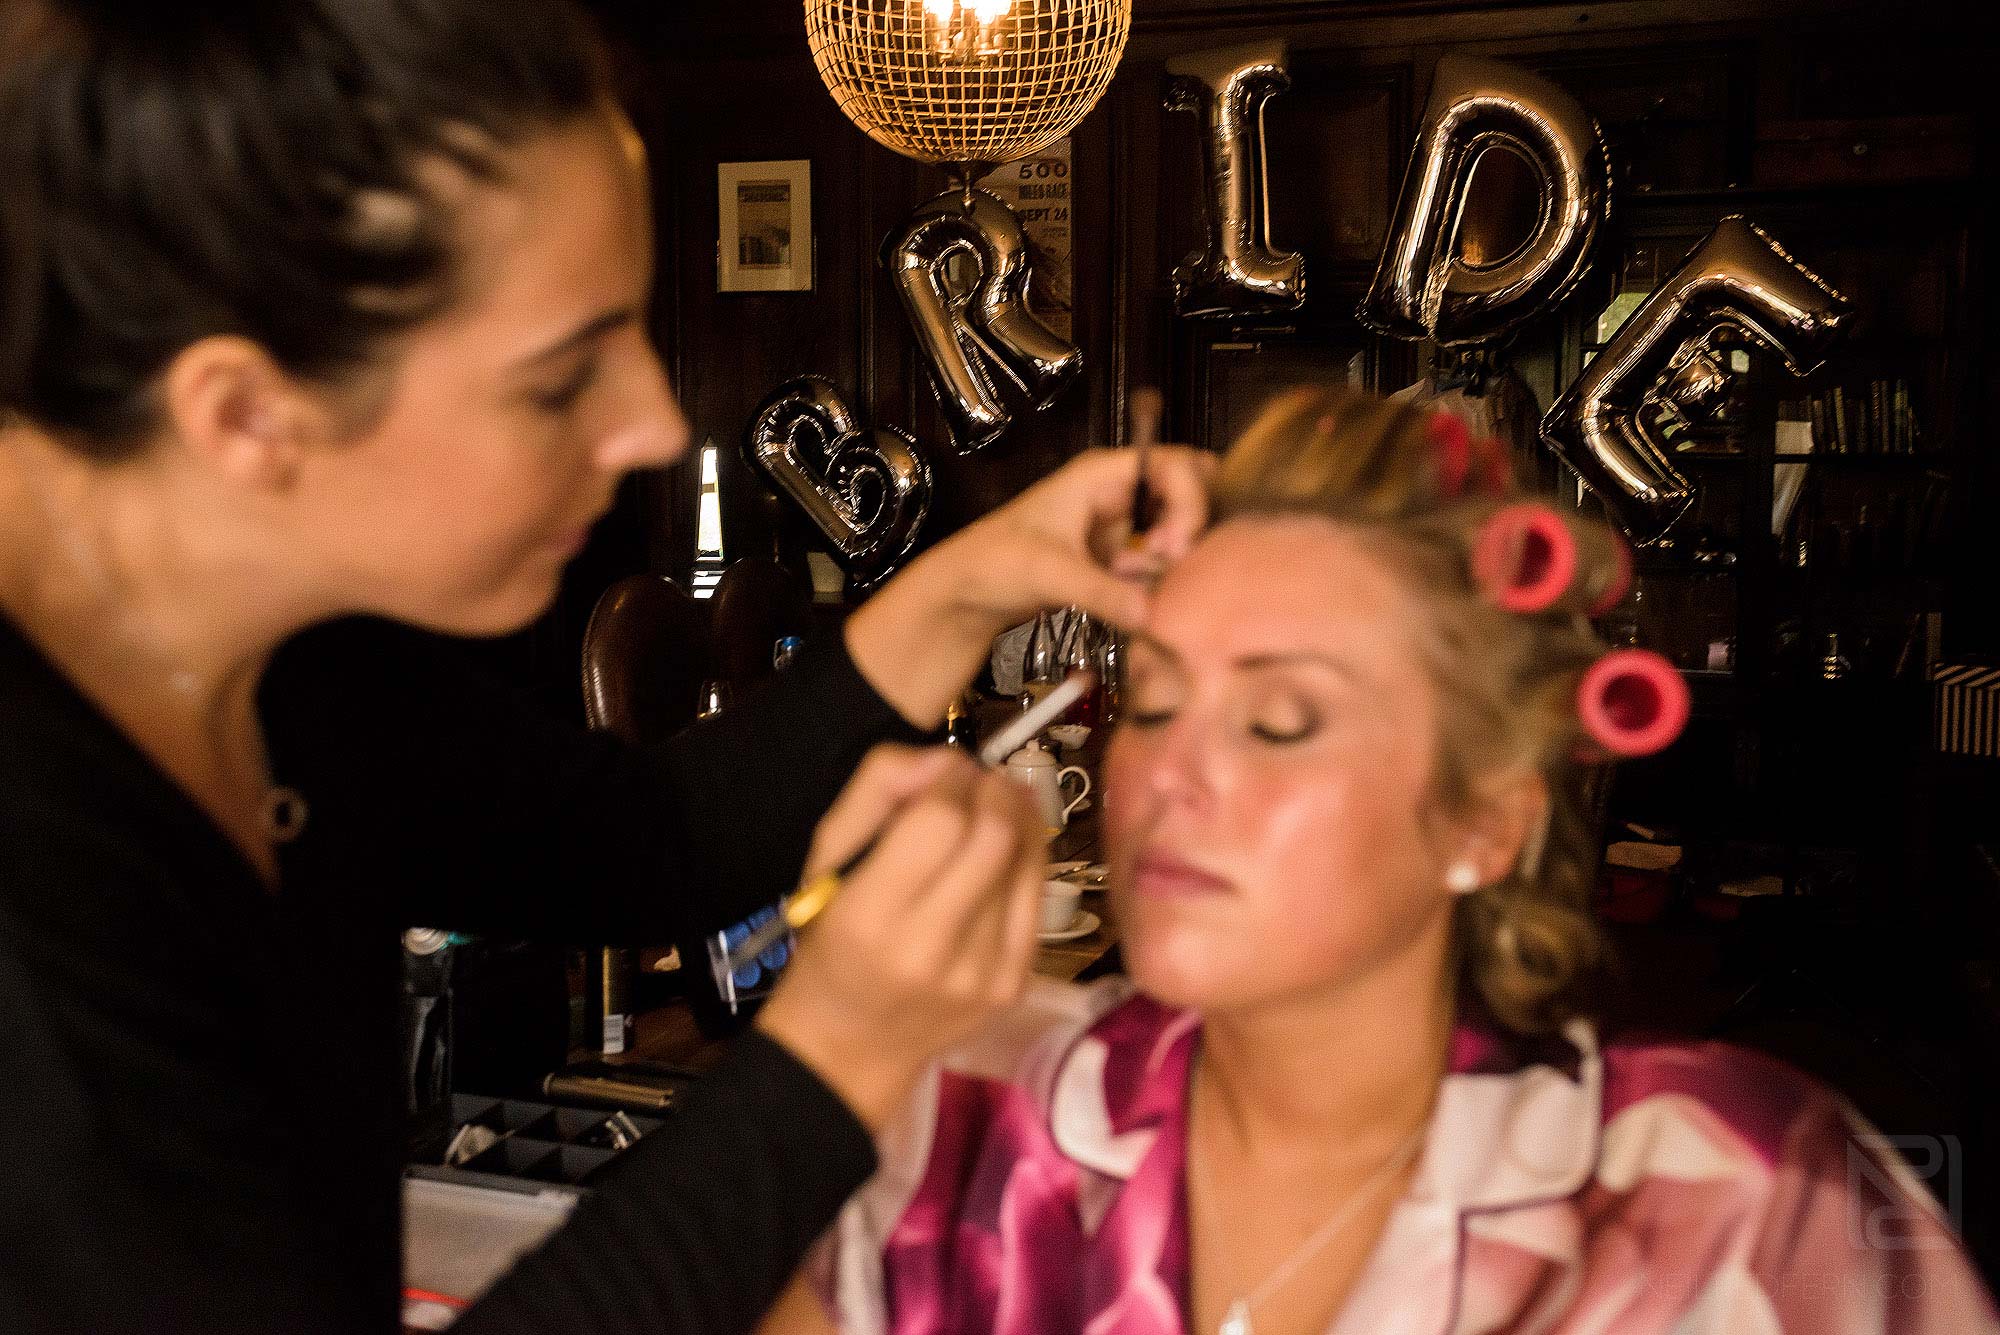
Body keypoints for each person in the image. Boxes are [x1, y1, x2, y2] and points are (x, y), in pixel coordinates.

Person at [0, 2, 1210, 1331]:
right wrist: (841, 1051)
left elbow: (654, 838)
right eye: (557, 376)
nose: (648, 424)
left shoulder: (293, 658)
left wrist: (981, 577)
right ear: (246, 416)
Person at [764, 386, 1999, 1334]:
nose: (1169, 776)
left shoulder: (1728, 1197)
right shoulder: (973, 1121)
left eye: (1281, 721)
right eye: (1148, 701)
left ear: (1484, 819)